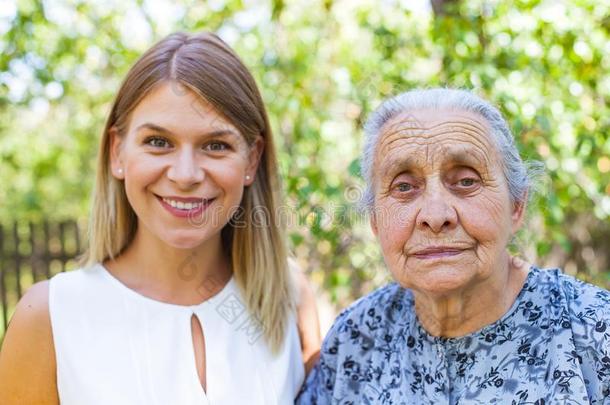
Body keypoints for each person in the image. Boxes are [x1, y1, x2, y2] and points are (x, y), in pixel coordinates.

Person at [0, 32, 321, 405]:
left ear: (251, 160)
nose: (185, 175)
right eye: (158, 142)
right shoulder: (50, 315)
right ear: (117, 152)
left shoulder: (288, 294)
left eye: (216, 145)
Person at [297, 88, 610, 404]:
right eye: (404, 187)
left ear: (516, 205)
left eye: (466, 181)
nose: (435, 216)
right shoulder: (356, 338)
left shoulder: (594, 331)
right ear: (375, 221)